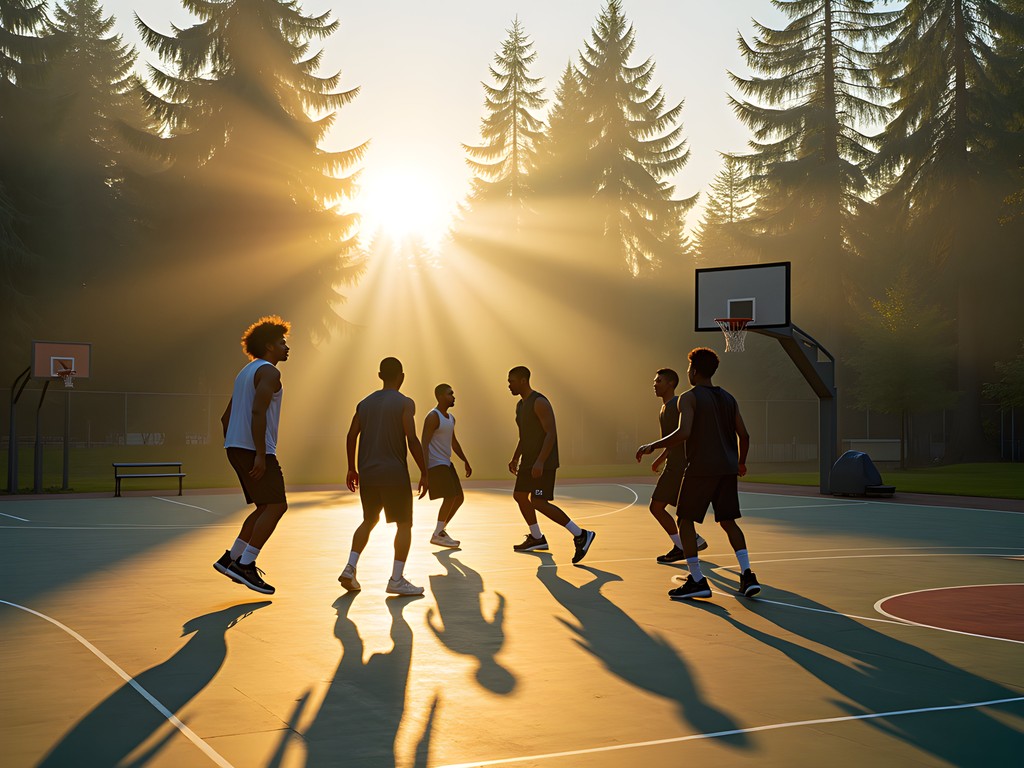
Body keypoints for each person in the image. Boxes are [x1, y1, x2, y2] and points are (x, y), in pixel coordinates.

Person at [636, 347, 761, 600]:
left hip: (701, 468)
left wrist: (653, 446)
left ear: (693, 370)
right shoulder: (729, 398)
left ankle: (696, 579)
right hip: (727, 468)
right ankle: (747, 575)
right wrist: (741, 462)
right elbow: (744, 435)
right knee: (728, 522)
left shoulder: (689, 398)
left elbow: (684, 433)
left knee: (685, 521)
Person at [215, 316, 291, 595]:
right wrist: (259, 453)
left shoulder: (245, 372)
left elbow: (225, 418)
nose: (287, 348)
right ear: (270, 346)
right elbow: (258, 412)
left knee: (263, 507)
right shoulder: (270, 372)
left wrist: (235, 446)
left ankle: (232, 558)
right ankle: (246, 564)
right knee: (277, 506)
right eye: (282, 342)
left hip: (236, 447)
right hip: (254, 449)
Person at [339, 357, 428, 596]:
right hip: (394, 474)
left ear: (380, 376)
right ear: (402, 376)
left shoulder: (364, 403)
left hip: (369, 474)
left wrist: (351, 467)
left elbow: (350, 436)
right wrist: (425, 471)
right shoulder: (405, 403)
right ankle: (396, 579)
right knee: (404, 524)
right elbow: (411, 438)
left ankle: (350, 567)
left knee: (369, 520)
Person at [507, 366, 595, 563]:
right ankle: (537, 538)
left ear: (523, 380)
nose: (508, 385)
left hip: (542, 462)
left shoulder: (539, 402)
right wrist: (515, 457)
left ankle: (581, 534)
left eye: (511, 381)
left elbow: (551, 433)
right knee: (520, 496)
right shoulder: (520, 406)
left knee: (538, 502)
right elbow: (524, 436)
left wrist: (540, 461)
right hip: (528, 461)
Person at [638, 368, 708, 562]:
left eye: (659, 381)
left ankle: (683, 545)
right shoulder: (664, 408)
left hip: (679, 466)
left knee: (657, 507)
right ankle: (689, 541)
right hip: (674, 464)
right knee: (676, 511)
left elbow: (681, 436)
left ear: (671, 383)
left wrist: (653, 449)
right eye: (654, 380)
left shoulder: (675, 406)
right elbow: (671, 440)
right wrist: (660, 459)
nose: (654, 384)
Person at [421, 383, 472, 548]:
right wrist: (424, 472)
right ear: (441, 396)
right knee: (450, 496)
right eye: (450, 394)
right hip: (436, 464)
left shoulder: (451, 419)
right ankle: (437, 534)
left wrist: (465, 460)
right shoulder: (433, 417)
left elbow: (453, 442)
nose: (453, 397)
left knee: (459, 498)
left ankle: (440, 531)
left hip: (447, 463)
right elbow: (424, 443)